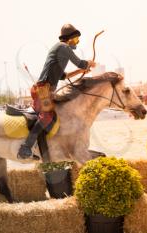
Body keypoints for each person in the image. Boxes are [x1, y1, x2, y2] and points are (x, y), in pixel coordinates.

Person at [17, 24, 96, 159]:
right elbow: (80, 63)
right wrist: (88, 64)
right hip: (43, 90)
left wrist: (81, 71)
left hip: (44, 89)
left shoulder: (60, 49)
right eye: (76, 39)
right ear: (70, 38)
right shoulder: (63, 47)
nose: (77, 42)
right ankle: (26, 147)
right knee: (47, 117)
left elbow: (63, 76)